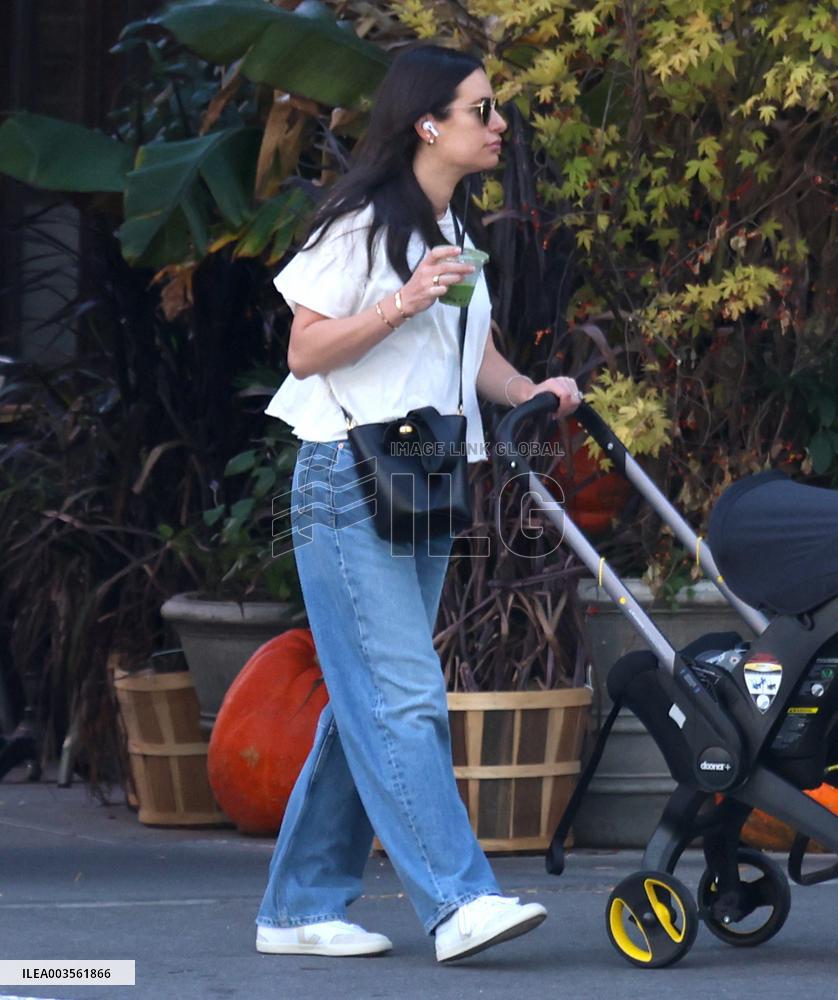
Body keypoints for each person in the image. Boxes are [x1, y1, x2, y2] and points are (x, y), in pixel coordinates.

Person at [255, 44, 582, 964]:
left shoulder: (454, 232)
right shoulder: (361, 224)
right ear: (428, 123)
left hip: (424, 471)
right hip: (347, 474)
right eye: (483, 110)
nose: (499, 124)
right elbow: (306, 352)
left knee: (369, 698)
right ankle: (456, 899)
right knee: (403, 694)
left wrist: (532, 392)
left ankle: (298, 908)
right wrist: (400, 302)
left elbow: (466, 357)